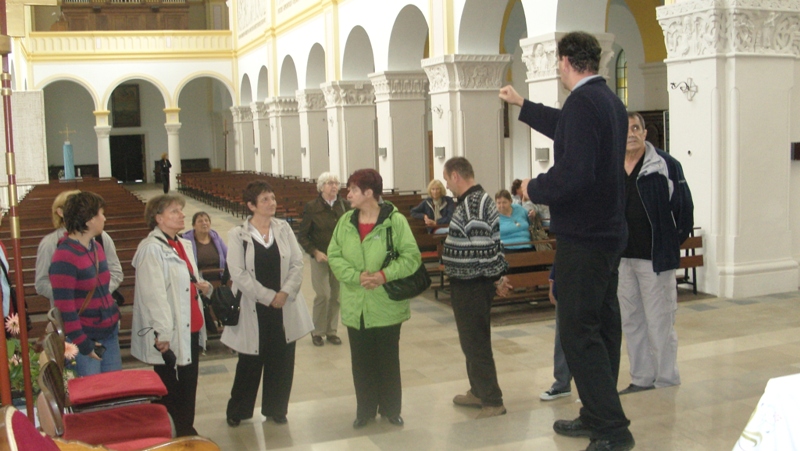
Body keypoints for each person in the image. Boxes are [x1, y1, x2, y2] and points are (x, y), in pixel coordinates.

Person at [500, 31, 635, 451]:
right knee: (603, 327)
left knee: (578, 332)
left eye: (557, 63)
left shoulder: (582, 103)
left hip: (586, 237)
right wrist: (523, 105)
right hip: (608, 233)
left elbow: (575, 174)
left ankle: (612, 429)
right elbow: (565, 129)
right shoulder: (608, 100)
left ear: (564, 62)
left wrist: (532, 187)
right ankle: (596, 413)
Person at [327, 168, 420, 429]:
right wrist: (356, 277)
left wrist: (383, 275)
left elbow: (411, 257)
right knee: (361, 361)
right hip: (356, 304)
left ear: (369, 193)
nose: (348, 194)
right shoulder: (345, 221)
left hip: (386, 303)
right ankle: (365, 410)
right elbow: (334, 255)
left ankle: (391, 409)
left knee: (388, 359)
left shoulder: (394, 221)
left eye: (353, 190)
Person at [222, 181, 313, 428]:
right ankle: (239, 410)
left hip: (284, 305)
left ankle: (276, 408)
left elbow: (297, 263)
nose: (271, 203)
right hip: (254, 305)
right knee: (250, 361)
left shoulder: (283, 228)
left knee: (282, 358)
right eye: (264, 199)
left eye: (272, 198)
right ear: (251, 205)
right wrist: (268, 296)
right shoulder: (238, 234)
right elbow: (238, 273)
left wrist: (284, 293)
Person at [617, 111, 693, 395]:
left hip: (654, 261)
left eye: (636, 128)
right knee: (632, 322)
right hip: (623, 260)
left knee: (659, 322)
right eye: (626, 129)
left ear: (645, 133)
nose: (631, 134)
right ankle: (641, 378)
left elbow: (684, 211)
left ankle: (665, 380)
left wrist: (668, 243)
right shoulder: (611, 166)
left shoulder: (665, 165)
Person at [130, 194, 212, 436]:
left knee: (189, 383)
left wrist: (204, 286)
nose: (182, 215)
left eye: (181, 210)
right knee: (171, 387)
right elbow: (153, 295)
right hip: (169, 330)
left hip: (190, 324)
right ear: (158, 218)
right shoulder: (150, 249)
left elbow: (188, 279)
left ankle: (186, 427)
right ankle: (175, 432)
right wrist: (163, 333)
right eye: (174, 211)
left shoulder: (183, 244)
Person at [442, 157, 511, 420]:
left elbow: (485, 248)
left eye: (447, 179)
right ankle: (478, 391)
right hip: (469, 282)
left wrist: (498, 278)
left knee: (476, 344)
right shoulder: (474, 200)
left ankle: (493, 400)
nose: (447, 185)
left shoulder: (474, 203)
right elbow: (492, 244)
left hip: (472, 285)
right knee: (470, 342)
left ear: (456, 176)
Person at [49, 191, 122, 377]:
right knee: (93, 391)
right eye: (101, 214)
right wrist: (83, 344)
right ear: (89, 220)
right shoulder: (64, 256)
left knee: (115, 387)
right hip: (85, 337)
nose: (104, 218)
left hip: (108, 332)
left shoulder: (96, 247)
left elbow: (102, 290)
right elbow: (65, 308)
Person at [35, 190, 123, 309]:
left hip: (101, 308)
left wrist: (100, 292)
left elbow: (115, 271)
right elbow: (42, 283)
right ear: (60, 212)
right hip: (68, 309)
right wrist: (71, 297)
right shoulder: (50, 243)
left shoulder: (100, 238)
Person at [297, 172, 349, 347]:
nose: (333, 186)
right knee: (323, 295)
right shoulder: (312, 207)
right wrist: (315, 252)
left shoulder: (345, 205)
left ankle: (331, 331)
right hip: (320, 256)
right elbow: (303, 235)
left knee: (336, 296)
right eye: (329, 183)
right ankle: (317, 331)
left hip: (339, 258)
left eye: (336, 183)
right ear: (321, 187)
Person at [540, 266, 573, 401]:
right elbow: (558, 259)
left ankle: (595, 387)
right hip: (565, 283)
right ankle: (562, 384)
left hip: (589, 281)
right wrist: (552, 282)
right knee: (562, 335)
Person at [181, 211, 228, 282]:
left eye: (206, 220)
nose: (204, 223)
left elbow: (228, 256)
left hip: (219, 280)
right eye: (200, 221)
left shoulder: (216, 238)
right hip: (197, 281)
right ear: (194, 225)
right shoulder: (186, 241)